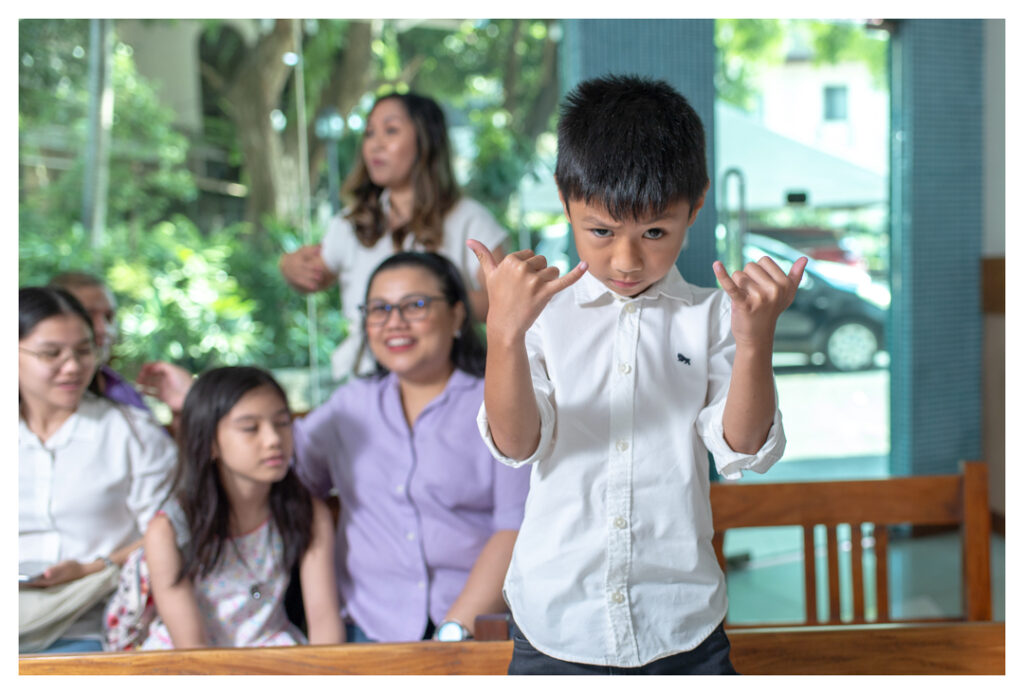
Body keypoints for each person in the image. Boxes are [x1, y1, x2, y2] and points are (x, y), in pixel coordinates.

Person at [468, 75, 808, 674]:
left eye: (655, 232)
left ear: (695, 205)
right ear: (564, 198)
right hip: (555, 624)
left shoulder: (712, 317)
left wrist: (756, 341)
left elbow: (745, 449)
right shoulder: (540, 315)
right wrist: (505, 333)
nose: (625, 261)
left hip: (681, 626)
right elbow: (517, 444)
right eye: (600, 231)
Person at [292, 251, 530, 643]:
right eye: (379, 309)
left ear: (456, 316)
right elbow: (288, 475)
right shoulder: (349, 407)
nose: (394, 323)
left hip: (476, 630)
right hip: (367, 628)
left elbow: (514, 525)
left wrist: (454, 632)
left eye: (415, 305)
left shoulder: (497, 404)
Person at [279, 92, 508, 380]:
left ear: (426, 140)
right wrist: (290, 267)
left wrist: (433, 306)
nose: (375, 144)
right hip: (367, 382)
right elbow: (312, 275)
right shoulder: (350, 224)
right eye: (369, 133)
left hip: (447, 380)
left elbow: (507, 300)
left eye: (391, 130)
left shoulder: (470, 218)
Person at [135, 366, 343, 649]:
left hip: (272, 649)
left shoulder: (308, 514)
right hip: (192, 665)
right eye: (250, 428)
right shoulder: (167, 529)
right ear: (209, 442)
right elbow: (192, 647)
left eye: (282, 423)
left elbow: (323, 619)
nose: (273, 440)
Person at [19, 287, 177, 652]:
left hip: (93, 621)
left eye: (84, 350)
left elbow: (170, 529)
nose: (72, 366)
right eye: (51, 354)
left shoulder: (132, 433)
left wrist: (92, 568)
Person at [48, 271, 195, 419]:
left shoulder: (122, 390)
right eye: (88, 316)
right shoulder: (39, 397)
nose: (104, 329)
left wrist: (182, 406)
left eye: (109, 317)